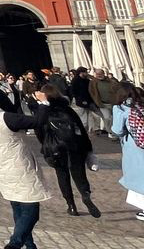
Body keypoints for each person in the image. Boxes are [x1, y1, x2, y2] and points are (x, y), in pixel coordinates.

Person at [0, 86, 51, 249]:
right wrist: (44, 103)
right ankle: (14, 244)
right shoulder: (5, 117)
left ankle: (30, 246)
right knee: (31, 210)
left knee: (18, 206)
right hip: (19, 165)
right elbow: (37, 122)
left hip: (0, 167)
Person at [36, 84, 100, 217]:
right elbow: (81, 129)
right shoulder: (67, 109)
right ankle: (85, 195)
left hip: (56, 148)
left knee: (62, 175)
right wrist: (88, 148)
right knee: (79, 174)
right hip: (75, 146)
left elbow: (39, 129)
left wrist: (45, 144)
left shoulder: (44, 111)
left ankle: (71, 205)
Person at [111, 84, 144, 220]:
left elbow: (117, 130)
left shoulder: (121, 108)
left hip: (135, 147)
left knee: (138, 177)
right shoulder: (141, 103)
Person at [89, 69, 122, 136]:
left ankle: (115, 131)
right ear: (95, 74)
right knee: (107, 118)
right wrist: (96, 102)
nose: (99, 76)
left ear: (104, 73)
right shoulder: (93, 82)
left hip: (113, 103)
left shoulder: (110, 81)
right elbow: (92, 93)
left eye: (101, 74)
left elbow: (117, 88)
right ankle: (110, 131)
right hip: (102, 104)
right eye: (97, 74)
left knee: (114, 117)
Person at [68, 68, 98, 134]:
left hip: (89, 101)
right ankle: (82, 130)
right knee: (84, 117)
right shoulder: (75, 81)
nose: (86, 73)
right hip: (81, 101)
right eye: (85, 72)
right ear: (81, 73)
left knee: (90, 115)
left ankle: (91, 130)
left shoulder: (86, 80)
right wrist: (81, 100)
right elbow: (74, 92)